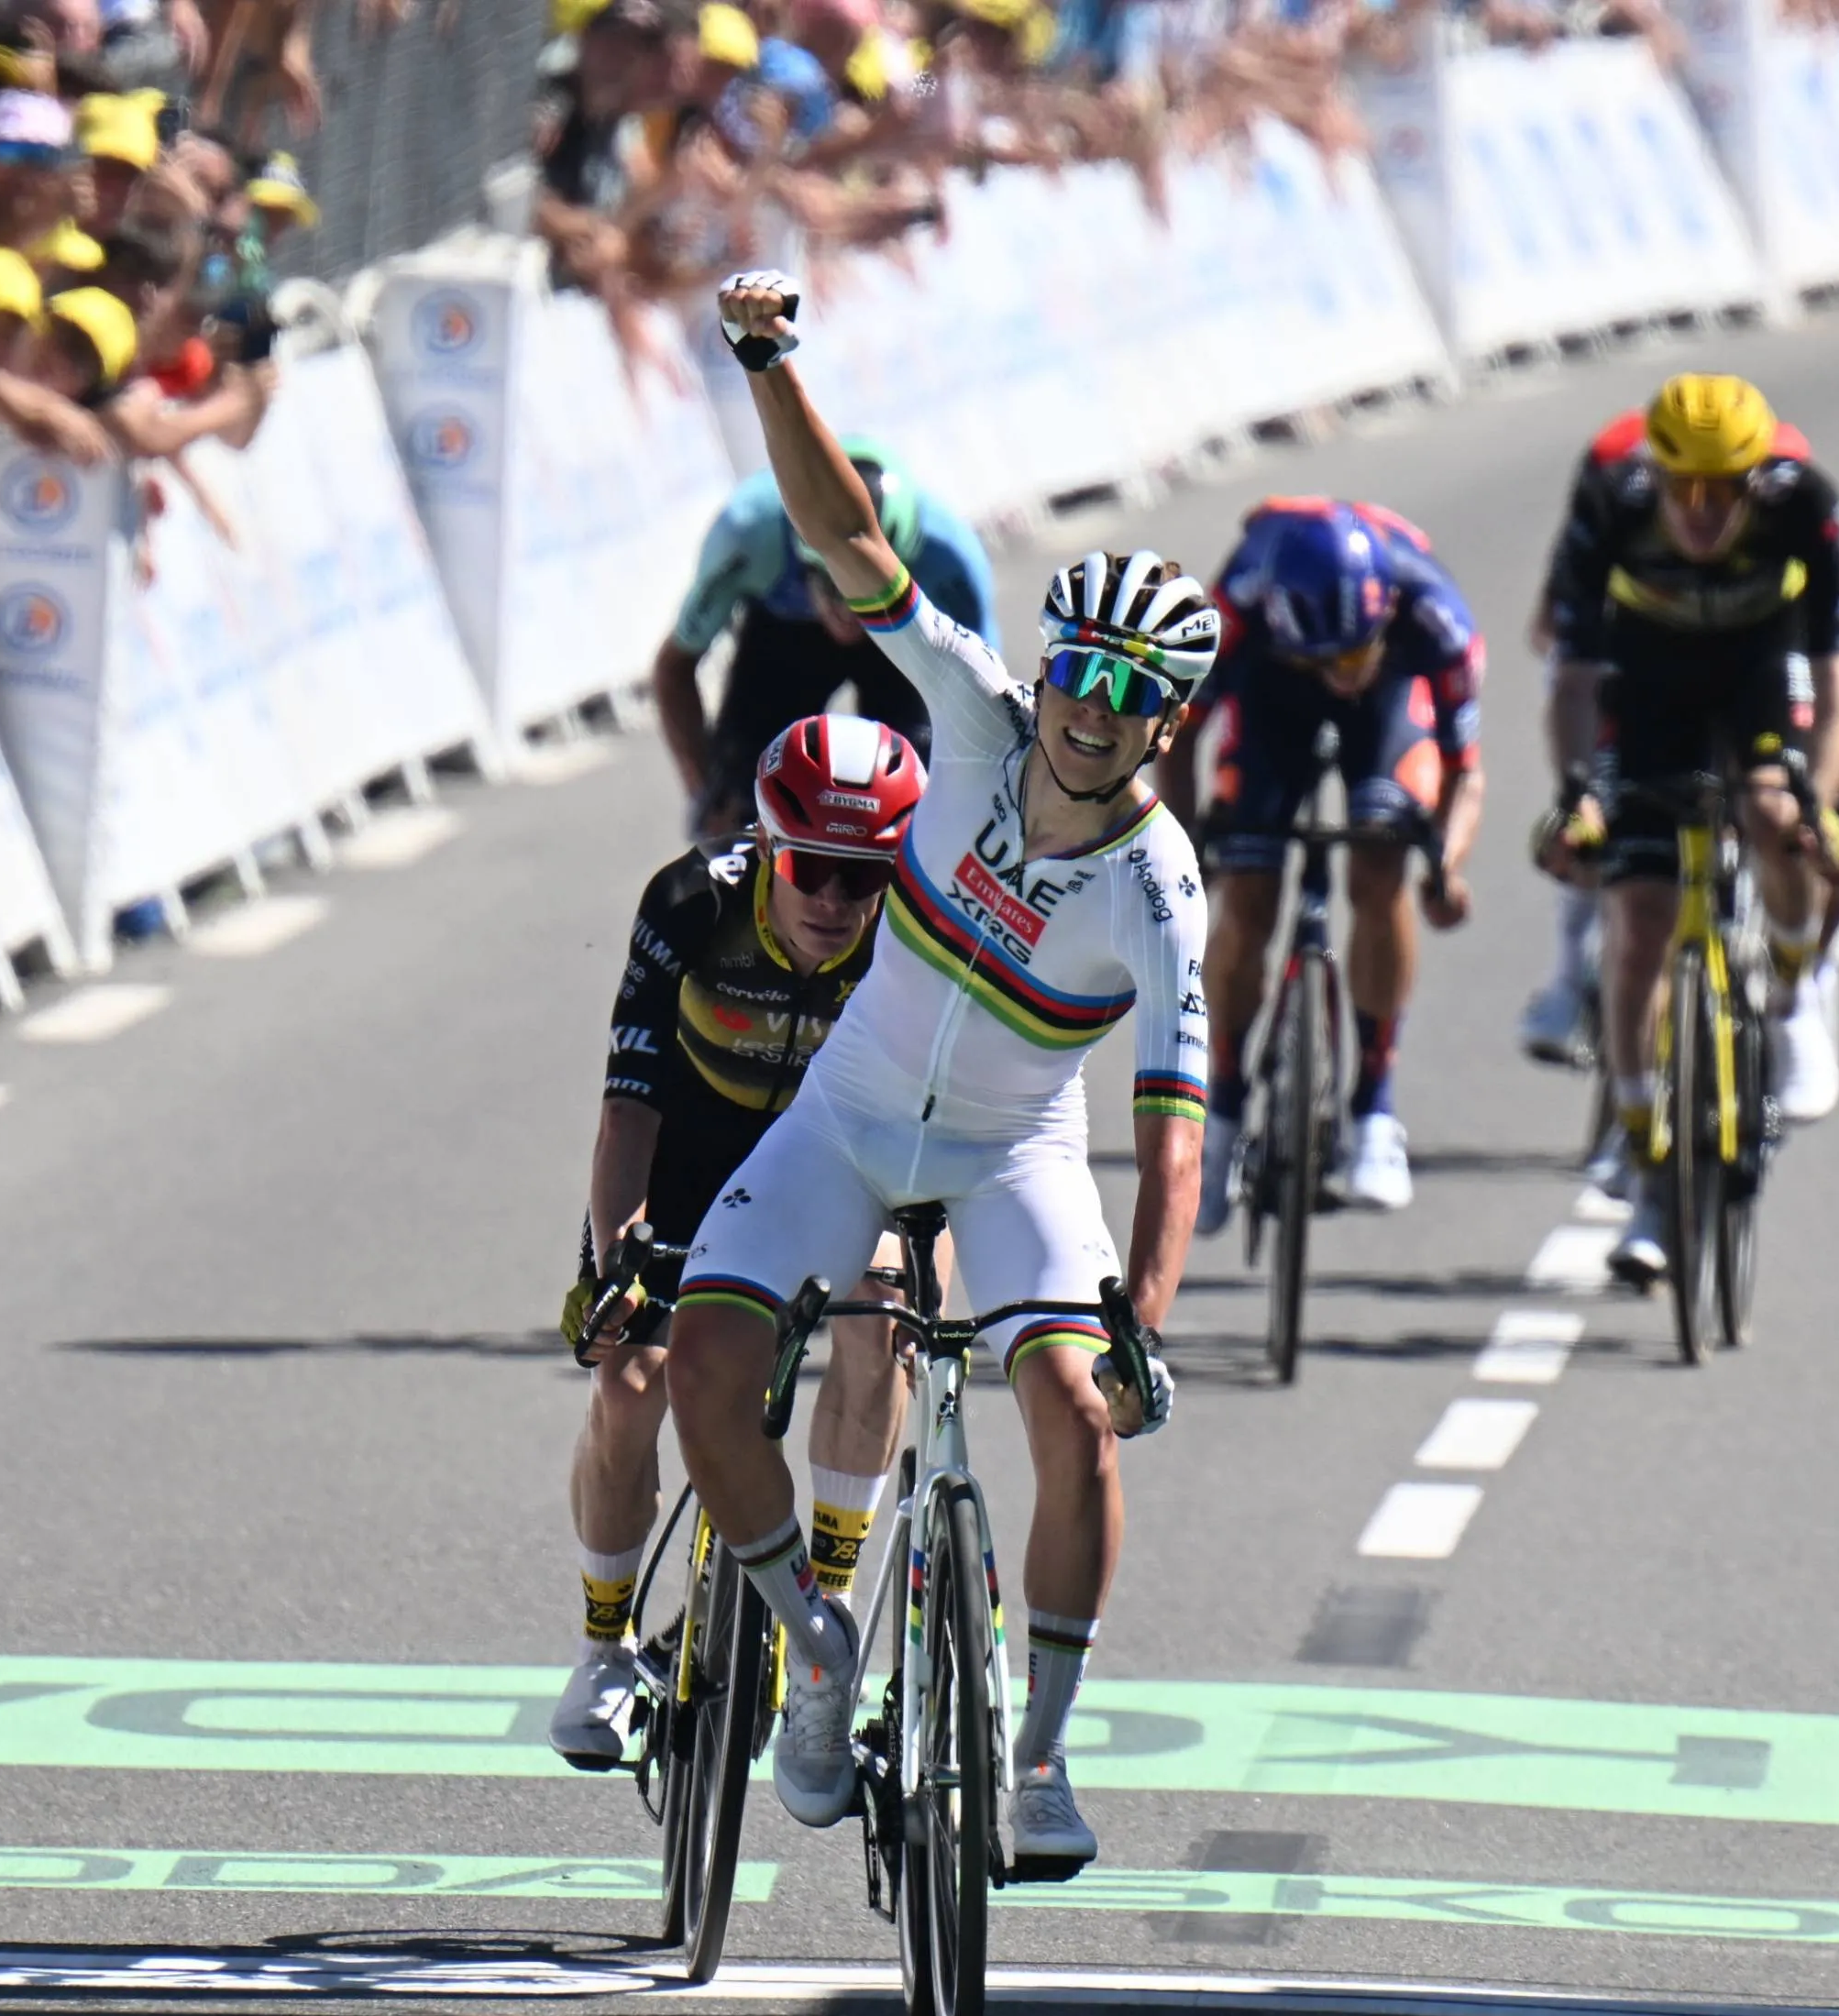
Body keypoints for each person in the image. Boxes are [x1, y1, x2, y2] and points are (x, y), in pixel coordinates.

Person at [661, 268, 1207, 1875]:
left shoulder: (1160, 890)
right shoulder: (974, 715)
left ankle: (1037, 1760)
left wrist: (1146, 1317)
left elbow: (1174, 1129)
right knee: (704, 1360)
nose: (1093, 713)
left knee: (1071, 1416)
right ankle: (808, 1643)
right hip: (844, 1116)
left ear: (1168, 723)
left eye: (1134, 694)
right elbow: (852, 548)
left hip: (1014, 1152)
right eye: (1083, 676)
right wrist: (770, 364)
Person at [549, 712, 921, 1766]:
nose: (837, 903)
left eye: (867, 878)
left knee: (883, 1320)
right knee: (632, 1385)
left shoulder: (914, 931)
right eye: (813, 870)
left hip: (839, 1158)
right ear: (766, 845)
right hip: (694, 1155)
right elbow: (630, 1106)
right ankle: (605, 1648)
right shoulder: (689, 904)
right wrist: (620, 1257)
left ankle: (821, 1620)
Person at [1535, 375, 1839, 1288]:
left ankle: (1794, 991)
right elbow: (1571, 679)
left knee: (1772, 816)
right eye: (1688, 489)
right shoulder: (1613, 505)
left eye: (1728, 490)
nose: (1706, 511)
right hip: (1651, 691)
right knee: (1637, 922)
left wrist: (1822, 808)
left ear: (1758, 478)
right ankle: (1644, 1145)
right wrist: (1578, 793)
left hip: (1760, 671)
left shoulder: (1807, 505)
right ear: (1659, 473)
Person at [1165, 497, 1484, 1222]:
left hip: (1390, 703)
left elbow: (1466, 772)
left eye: (1353, 655)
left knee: (1380, 868)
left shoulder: (1432, 614)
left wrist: (1445, 867)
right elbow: (1180, 738)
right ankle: (1221, 1108)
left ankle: (1375, 1108)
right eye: (1325, 660)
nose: (1341, 673)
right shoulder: (1234, 609)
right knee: (1246, 896)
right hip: (1272, 692)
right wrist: (1183, 853)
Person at [649, 434, 992, 839]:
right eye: (834, 586)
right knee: (741, 803)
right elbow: (674, 666)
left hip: (899, 635)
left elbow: (983, 707)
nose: (850, 614)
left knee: (929, 805)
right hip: (788, 634)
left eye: (865, 589)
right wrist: (709, 795)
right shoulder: (747, 534)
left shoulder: (949, 557)